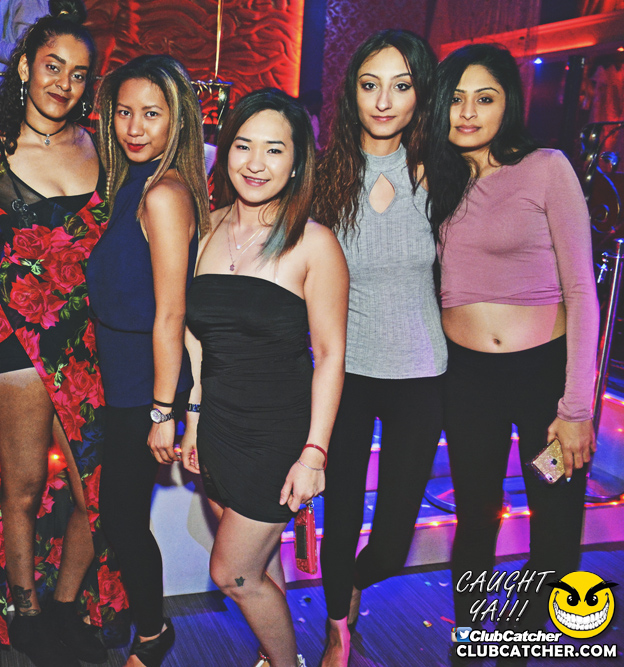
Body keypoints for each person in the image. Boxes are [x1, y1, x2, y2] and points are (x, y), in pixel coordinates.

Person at [424, 43, 598, 639]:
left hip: (543, 379)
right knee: (475, 519)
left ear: (509, 105)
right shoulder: (435, 179)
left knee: (555, 525)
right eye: (456, 99)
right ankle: (474, 641)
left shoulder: (546, 167)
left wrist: (575, 408)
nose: (468, 112)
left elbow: (582, 291)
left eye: (486, 98)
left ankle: (521, 639)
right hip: (467, 380)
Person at [0, 2, 122, 665]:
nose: (64, 83)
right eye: (53, 66)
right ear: (26, 66)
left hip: (90, 336)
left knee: (97, 488)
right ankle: (25, 607)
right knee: (24, 484)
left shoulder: (104, 147)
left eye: (79, 74)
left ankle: (65, 603)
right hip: (15, 332)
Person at [182, 88, 348, 667]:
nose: (255, 163)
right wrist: (192, 418)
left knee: (232, 573)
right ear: (224, 150)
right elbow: (194, 338)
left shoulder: (314, 242)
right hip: (217, 427)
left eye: (274, 149)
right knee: (261, 564)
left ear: (298, 160)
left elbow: (330, 355)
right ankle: (274, 654)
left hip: (277, 436)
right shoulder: (205, 229)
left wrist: (314, 455)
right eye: (243, 145)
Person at [309, 30, 443, 667]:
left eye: (401, 85)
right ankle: (338, 626)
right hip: (346, 372)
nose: (384, 101)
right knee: (340, 515)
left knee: (392, 539)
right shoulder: (324, 176)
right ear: (352, 94)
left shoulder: (443, 175)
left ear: (421, 94)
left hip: (422, 372)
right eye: (370, 85)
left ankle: (356, 582)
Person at [86, 54, 210, 667]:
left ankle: (156, 634)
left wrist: (164, 412)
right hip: (122, 380)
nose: (135, 127)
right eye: (124, 112)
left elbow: (171, 313)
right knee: (121, 515)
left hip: (144, 384)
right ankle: (143, 625)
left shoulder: (162, 193)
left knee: (123, 519)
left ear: (177, 121)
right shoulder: (127, 186)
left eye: (152, 114)